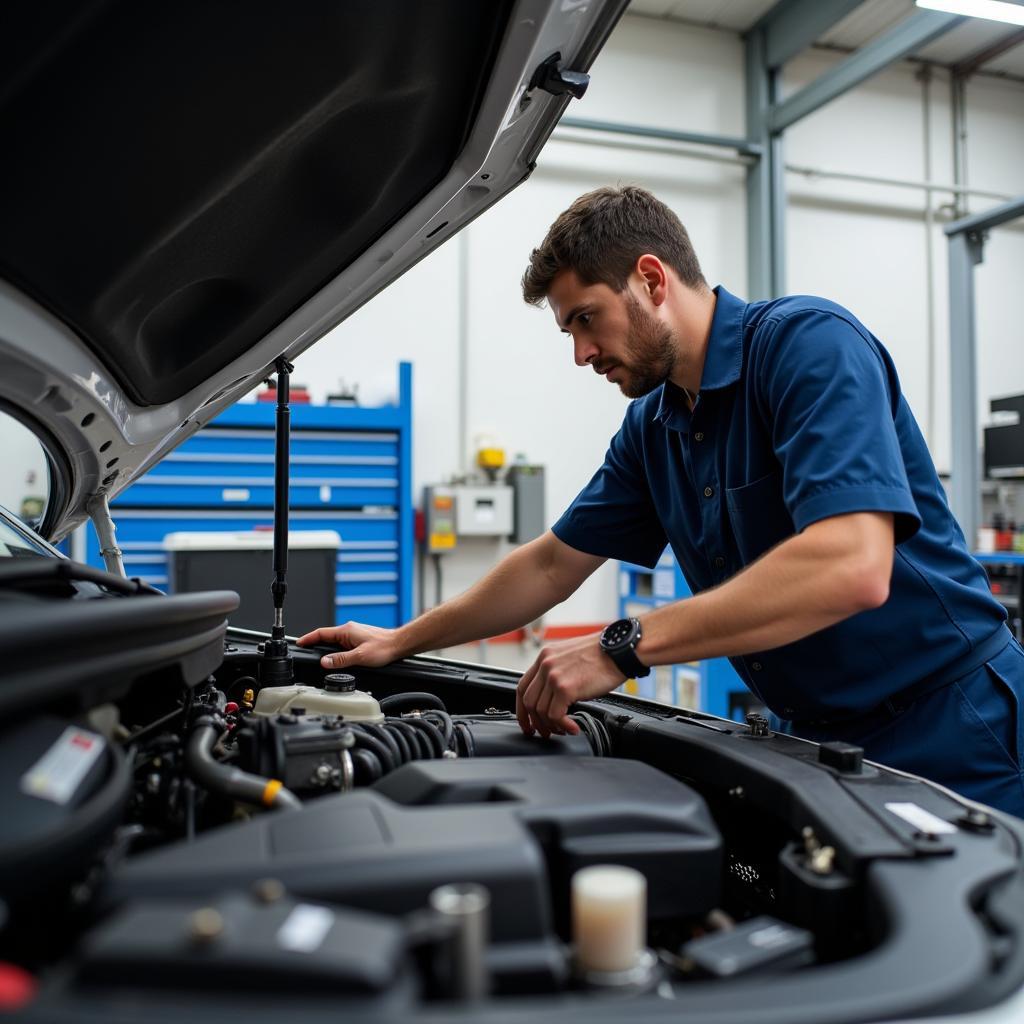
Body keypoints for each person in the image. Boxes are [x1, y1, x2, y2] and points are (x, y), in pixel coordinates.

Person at [298, 185, 1024, 818]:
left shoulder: (808, 347)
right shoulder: (654, 426)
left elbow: (852, 566)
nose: (580, 354)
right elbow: (552, 564)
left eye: (585, 319)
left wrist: (623, 647)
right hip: (827, 742)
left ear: (650, 279)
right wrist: (401, 641)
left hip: (959, 725)